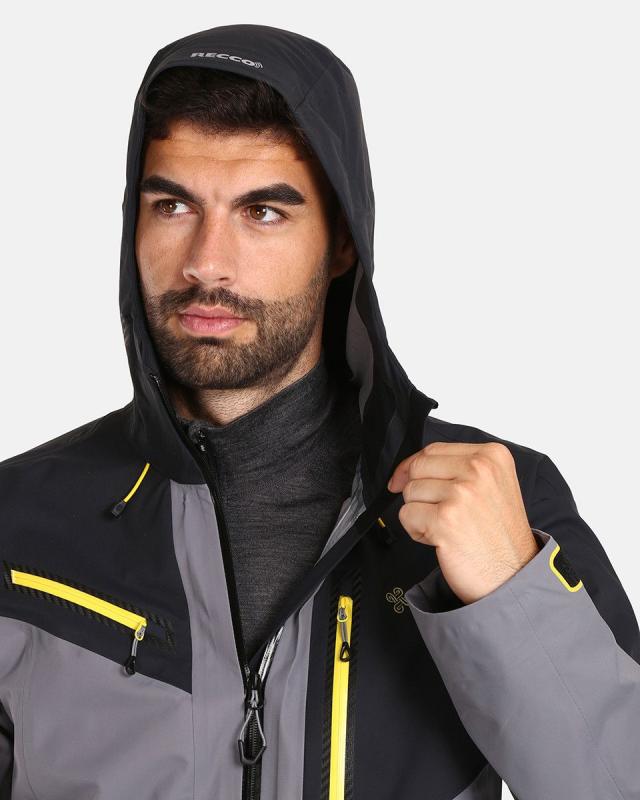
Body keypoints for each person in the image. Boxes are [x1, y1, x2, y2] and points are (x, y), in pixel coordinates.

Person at [0, 23, 638, 800]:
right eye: (172, 205)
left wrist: (514, 597)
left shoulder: (500, 502)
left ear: (342, 242)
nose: (205, 262)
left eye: (263, 212)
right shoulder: (19, 522)